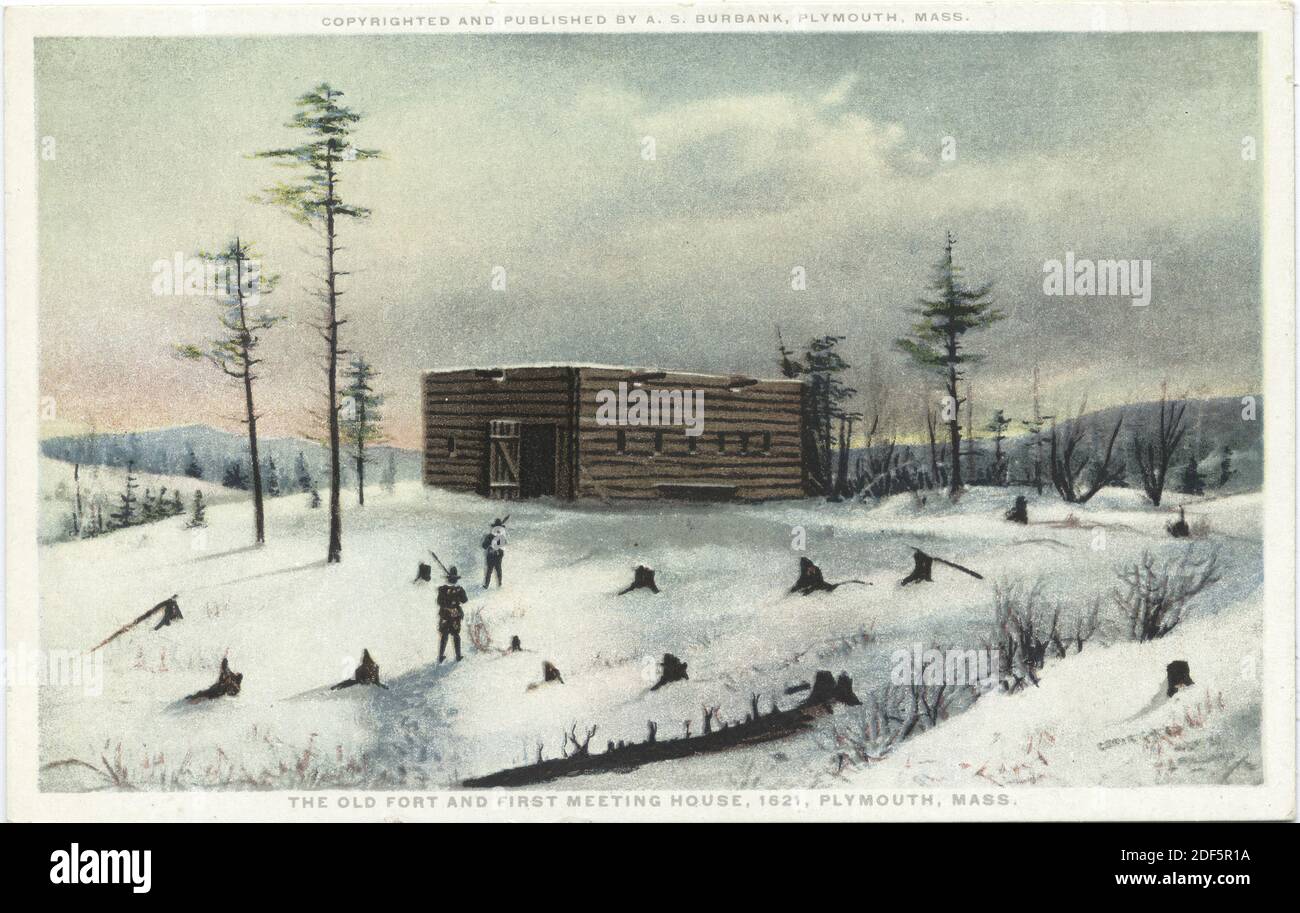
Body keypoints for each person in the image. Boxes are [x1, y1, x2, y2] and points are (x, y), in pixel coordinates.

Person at [437, 567, 468, 662]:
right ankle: (449, 656)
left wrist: (458, 592)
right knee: (451, 635)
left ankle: (448, 656)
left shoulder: (448, 589)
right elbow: (440, 602)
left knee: (449, 635)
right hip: (450, 614)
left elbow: (464, 600)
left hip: (450, 615)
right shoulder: (445, 589)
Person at [481, 517, 507, 588]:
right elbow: (484, 546)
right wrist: (489, 541)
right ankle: (487, 584)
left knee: (498, 570)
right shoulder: (489, 536)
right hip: (491, 556)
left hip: (498, 556)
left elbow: (503, 546)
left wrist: (498, 550)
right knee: (489, 570)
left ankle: (499, 583)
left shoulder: (501, 538)